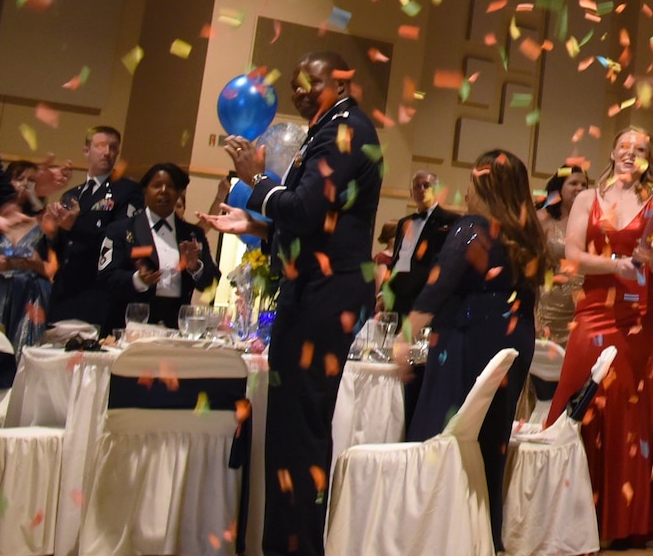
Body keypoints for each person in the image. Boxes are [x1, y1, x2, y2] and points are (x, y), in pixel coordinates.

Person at [203, 48, 384, 556]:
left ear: (341, 81)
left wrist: (254, 181)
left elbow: (304, 209)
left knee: (299, 431)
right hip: (317, 289)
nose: (299, 88)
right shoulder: (331, 127)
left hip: (324, 295)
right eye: (296, 80)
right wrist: (256, 224)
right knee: (288, 428)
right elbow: (323, 220)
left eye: (312, 79)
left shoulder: (344, 130)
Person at [401, 149, 543, 552]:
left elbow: (439, 286)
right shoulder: (526, 232)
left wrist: (401, 339)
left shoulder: (471, 228)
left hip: (467, 340)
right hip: (513, 339)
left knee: (445, 437)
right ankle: (484, 536)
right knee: (490, 444)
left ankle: (435, 536)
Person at [546, 125, 653, 546]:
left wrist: (651, 255)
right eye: (624, 145)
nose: (630, 152)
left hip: (640, 316)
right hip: (594, 310)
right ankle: (564, 510)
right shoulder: (588, 198)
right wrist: (615, 266)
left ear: (647, 160)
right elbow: (572, 254)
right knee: (579, 396)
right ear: (612, 151)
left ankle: (624, 520)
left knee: (629, 407)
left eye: (640, 148)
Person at [98, 162, 220, 329]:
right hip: (130, 323)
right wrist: (137, 280)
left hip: (175, 325)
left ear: (178, 193)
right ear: (145, 190)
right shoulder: (121, 229)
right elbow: (106, 278)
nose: (163, 191)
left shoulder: (193, 234)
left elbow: (210, 282)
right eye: (156, 185)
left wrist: (195, 268)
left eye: (170, 186)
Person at [48, 123, 143, 325]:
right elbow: (62, 247)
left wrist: (76, 226)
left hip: (97, 292)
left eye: (113, 147)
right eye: (100, 145)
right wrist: (51, 232)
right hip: (65, 290)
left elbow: (121, 239)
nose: (107, 152)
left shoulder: (128, 191)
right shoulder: (72, 194)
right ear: (86, 150)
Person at [0, 158, 56, 354]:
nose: (25, 186)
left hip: (29, 297)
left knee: (22, 356)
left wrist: (36, 265)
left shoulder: (45, 224)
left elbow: (56, 272)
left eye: (32, 181)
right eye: (20, 179)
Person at [385, 169, 458, 316]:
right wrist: (384, 292)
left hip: (425, 298)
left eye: (426, 185)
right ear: (411, 193)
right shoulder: (403, 223)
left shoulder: (450, 221)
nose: (421, 190)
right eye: (417, 186)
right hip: (398, 298)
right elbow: (397, 260)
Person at [536, 164, 592, 345]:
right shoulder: (543, 218)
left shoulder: (591, 222)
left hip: (580, 307)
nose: (580, 189)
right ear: (559, 186)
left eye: (584, 185)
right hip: (548, 305)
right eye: (573, 183)